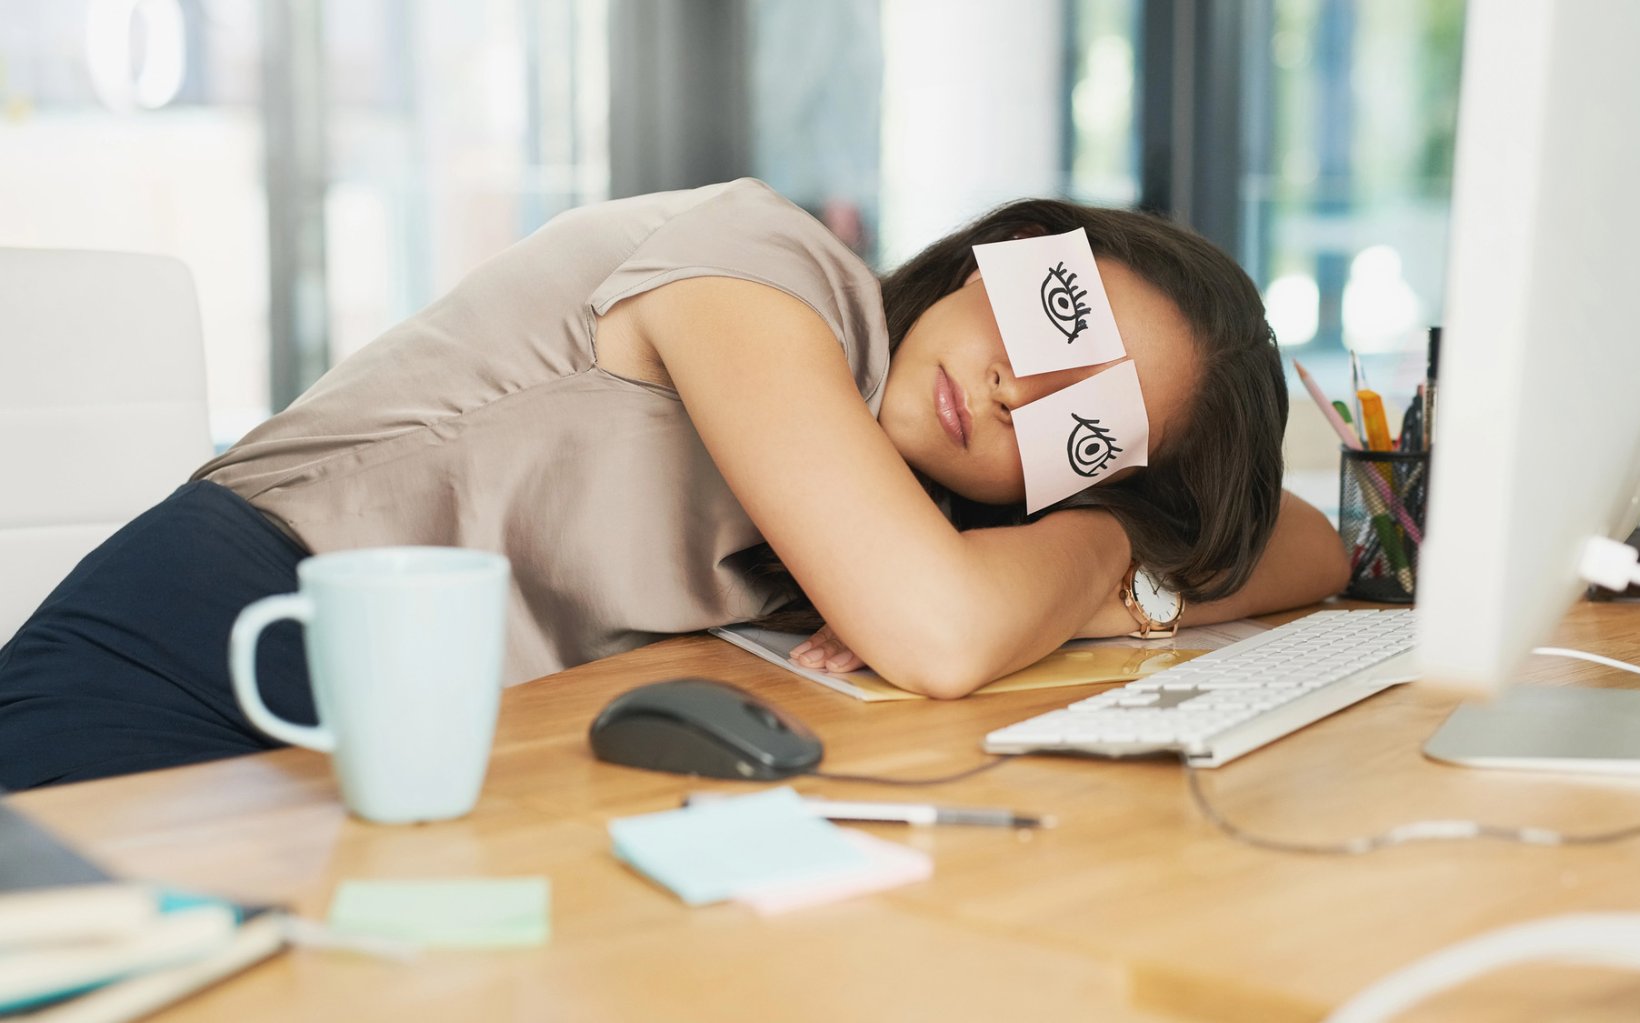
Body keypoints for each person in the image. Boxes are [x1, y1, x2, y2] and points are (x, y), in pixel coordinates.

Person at [0, 178, 1346, 790]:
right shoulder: (755, 265)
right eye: (1051, 319)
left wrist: (1108, 542)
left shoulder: (917, 498)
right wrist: (1120, 565)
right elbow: (937, 634)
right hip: (215, 644)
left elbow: (1307, 549)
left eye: (1088, 420)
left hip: (440, 746)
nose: (1017, 390)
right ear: (1000, 254)